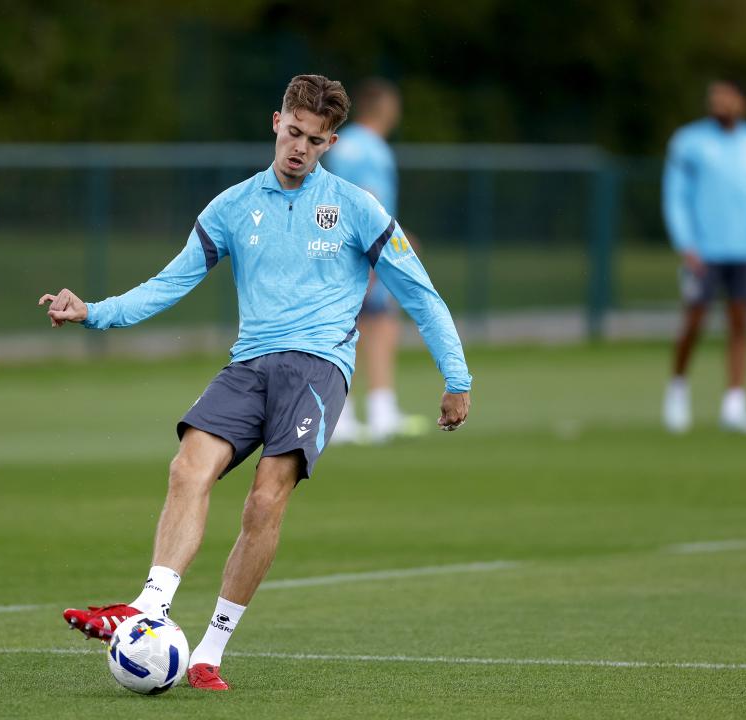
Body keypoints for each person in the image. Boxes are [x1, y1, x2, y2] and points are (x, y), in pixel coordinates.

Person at [38, 74, 472, 691]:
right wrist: (94, 312)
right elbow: (169, 283)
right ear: (276, 122)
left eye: (314, 140)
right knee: (187, 467)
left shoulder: (357, 208)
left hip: (318, 368)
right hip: (249, 365)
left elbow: (421, 294)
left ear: (330, 143)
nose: (300, 148)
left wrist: (456, 377)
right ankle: (148, 608)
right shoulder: (233, 207)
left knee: (265, 500)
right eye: (293, 132)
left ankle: (209, 651)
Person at [325, 77, 426, 443]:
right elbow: (368, 197)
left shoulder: (342, 144)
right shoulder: (373, 149)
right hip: (367, 244)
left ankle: (348, 413)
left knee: (357, 322)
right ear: (386, 108)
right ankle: (373, 411)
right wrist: (392, 240)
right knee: (374, 322)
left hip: (340, 243)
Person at [662, 79, 746, 434]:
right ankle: (677, 390)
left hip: (745, 249)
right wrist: (686, 242)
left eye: (727, 97)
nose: (720, 103)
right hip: (703, 251)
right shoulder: (690, 141)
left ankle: (734, 404)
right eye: (715, 97)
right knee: (694, 321)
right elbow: (676, 196)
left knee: (740, 323)